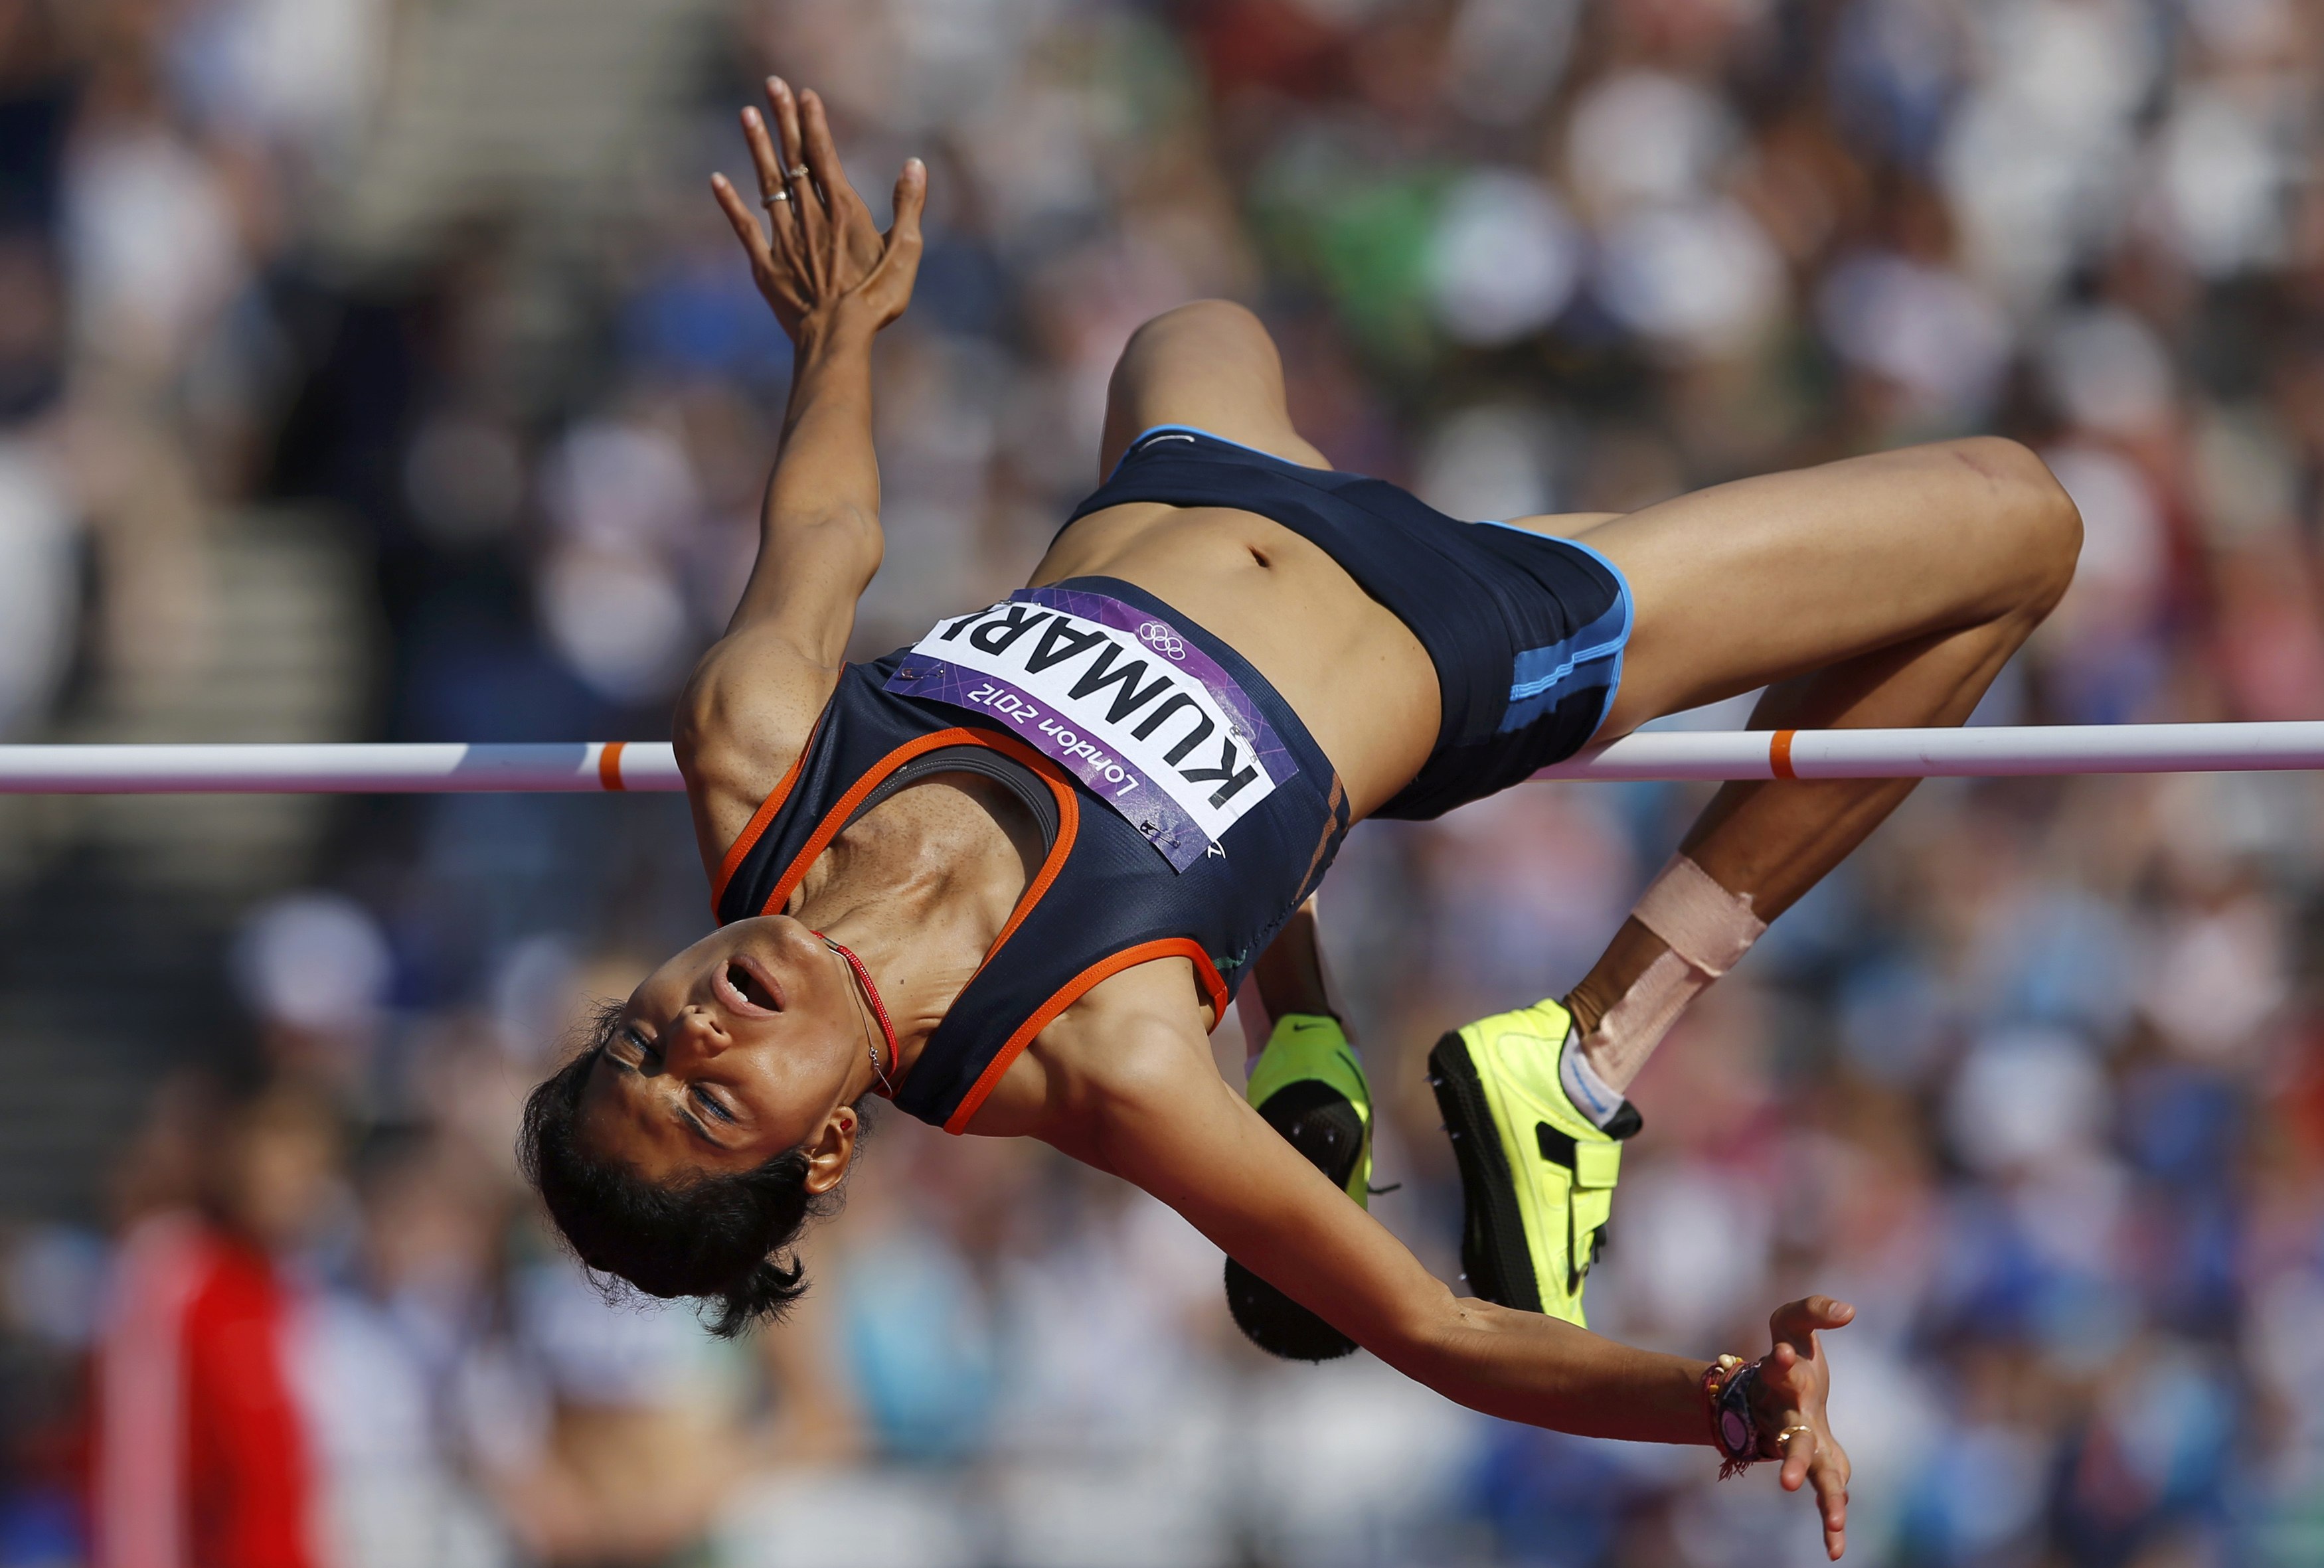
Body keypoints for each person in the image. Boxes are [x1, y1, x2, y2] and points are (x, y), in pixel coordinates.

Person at [521, 78, 2083, 1559]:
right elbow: (1431, 1325)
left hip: (1207, 479)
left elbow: (826, 527)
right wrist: (1721, 1402)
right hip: (1467, 626)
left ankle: (1302, 1035)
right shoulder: (1095, 1052)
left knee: (1190, 320)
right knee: (2018, 521)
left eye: (634, 1045)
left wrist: (838, 337)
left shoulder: (754, 752)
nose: (693, 1038)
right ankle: (1586, 1048)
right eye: (714, 1104)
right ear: (832, 1143)